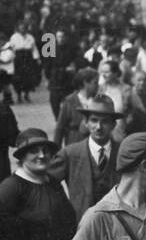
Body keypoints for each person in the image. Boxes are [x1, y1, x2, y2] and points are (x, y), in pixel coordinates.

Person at [46, 94, 123, 222]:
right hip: (81, 226)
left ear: (113, 125)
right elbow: (46, 182)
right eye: (94, 120)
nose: (98, 127)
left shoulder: (123, 153)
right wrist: (64, 208)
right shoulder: (70, 154)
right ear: (86, 123)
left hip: (117, 228)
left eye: (104, 121)